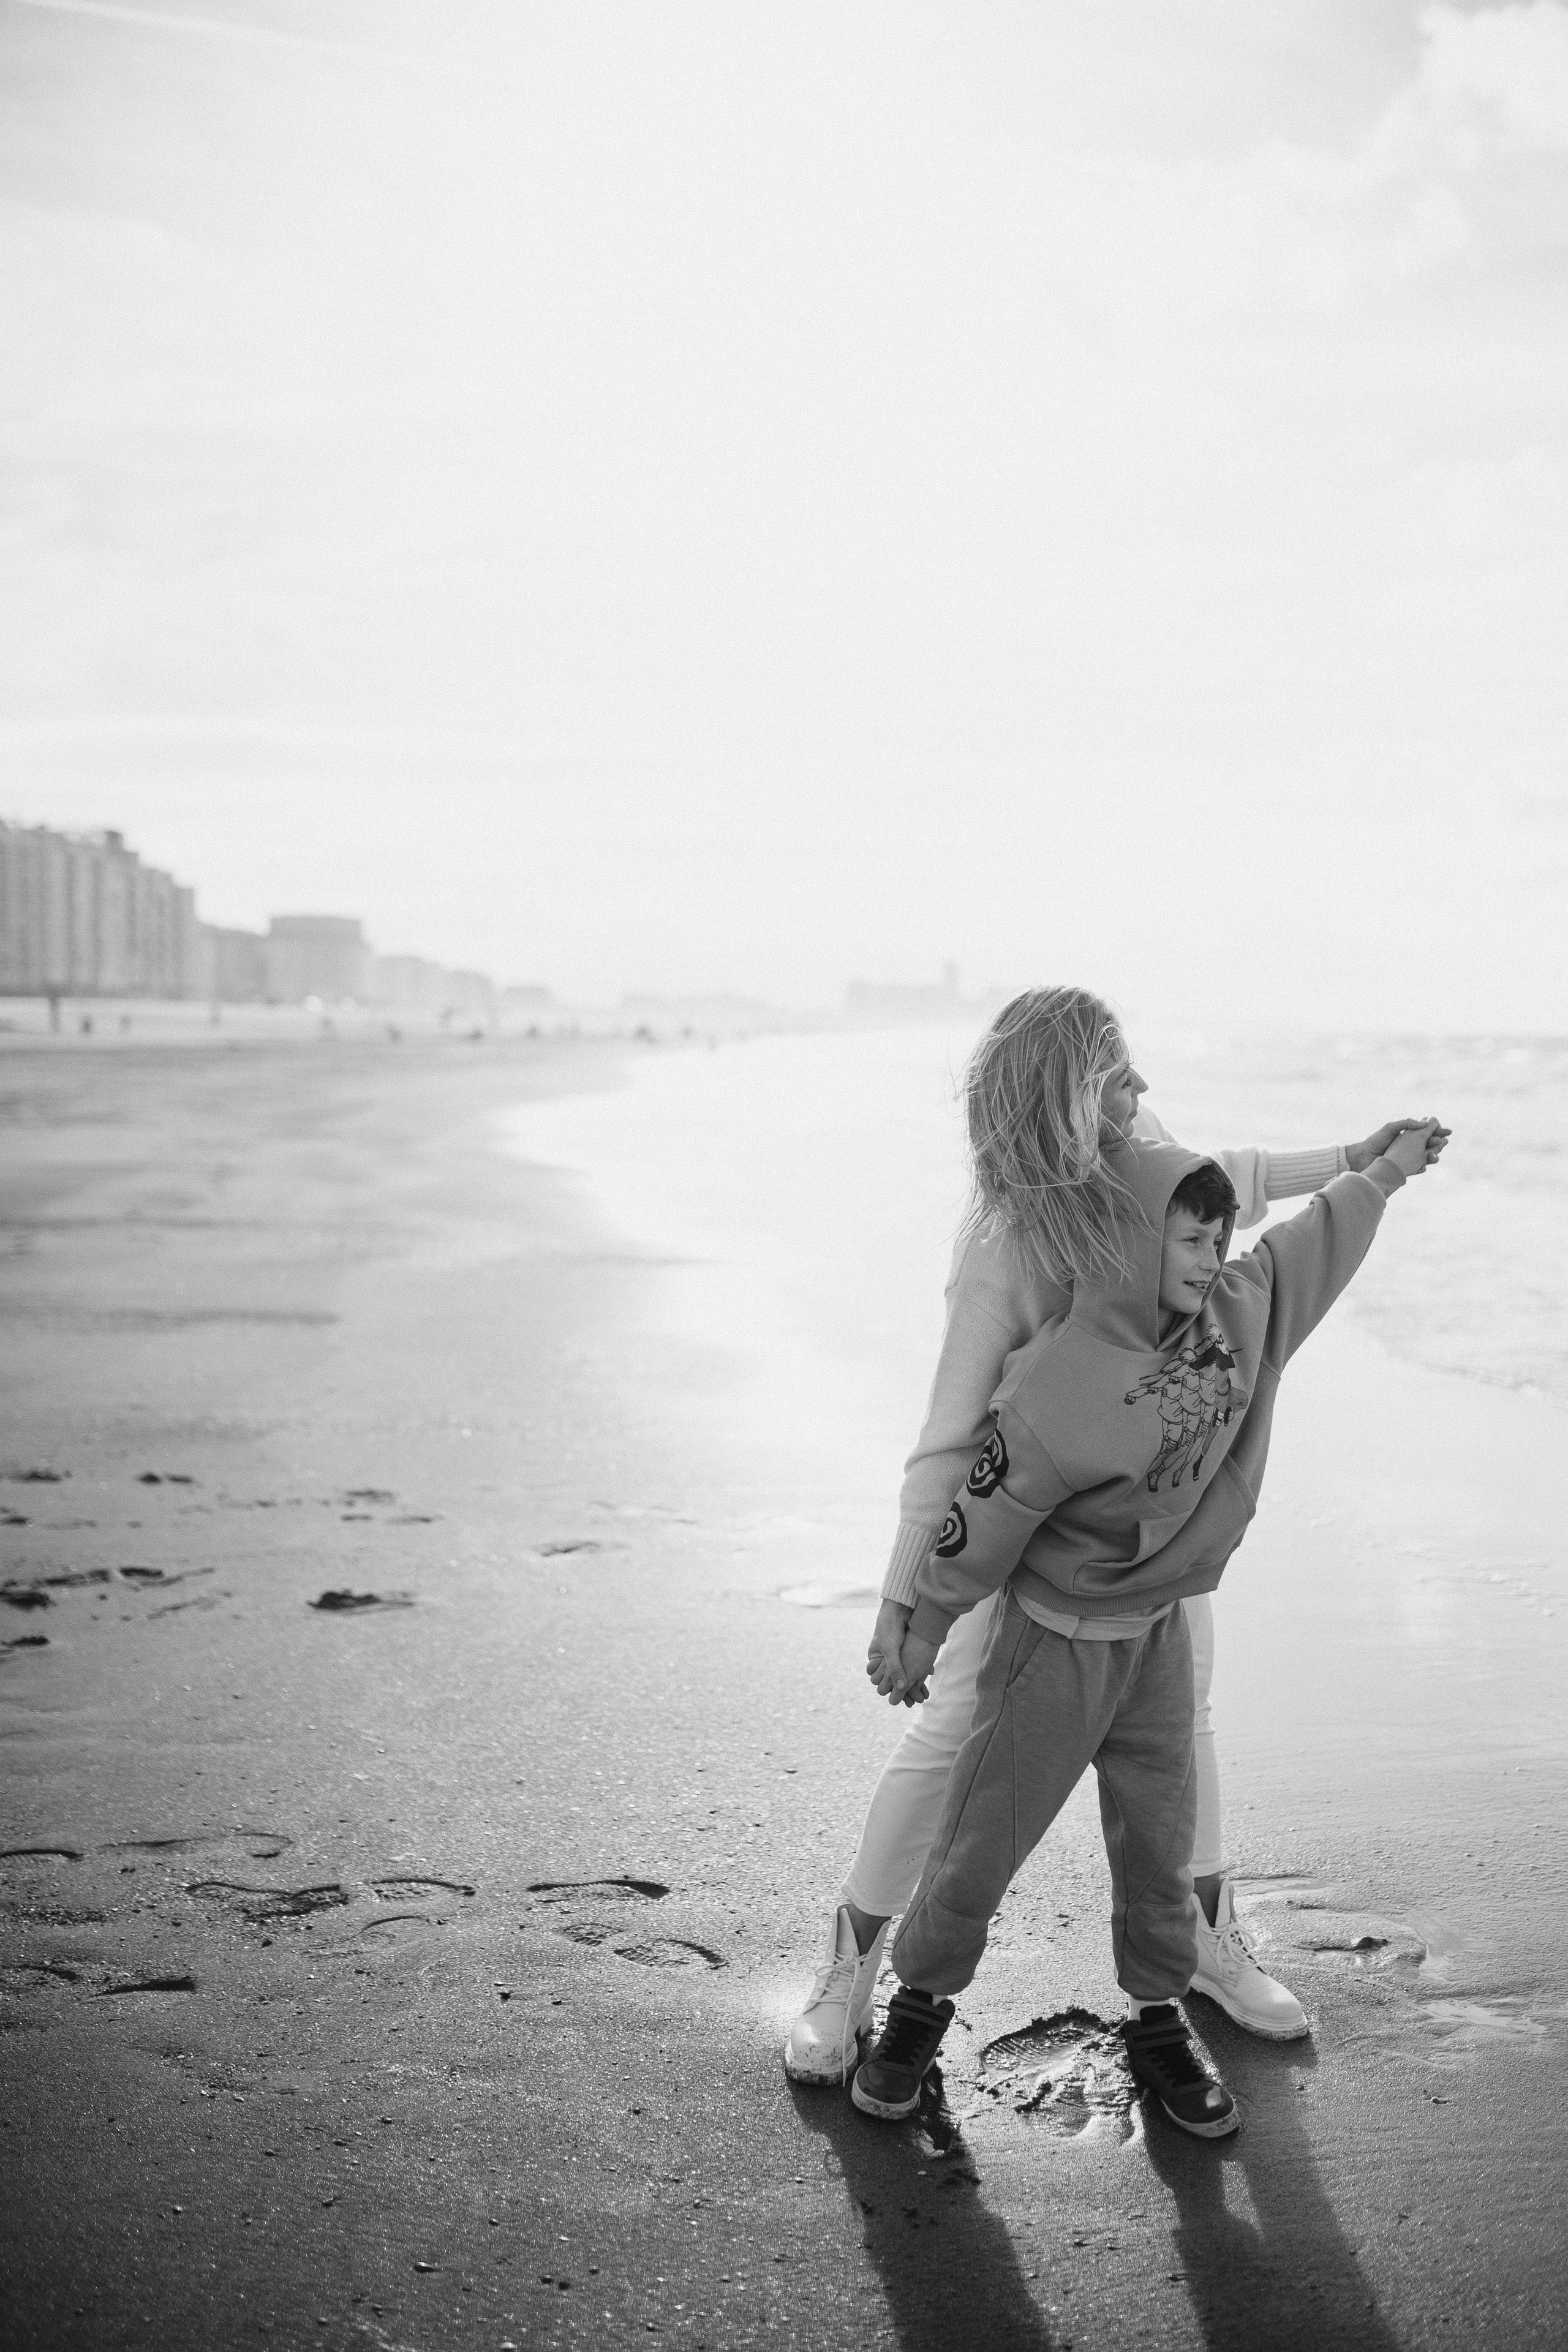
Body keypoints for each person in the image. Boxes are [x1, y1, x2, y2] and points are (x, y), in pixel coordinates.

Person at [785, 987, 1447, 2086]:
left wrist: (1352, 1159)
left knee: (1185, 1722)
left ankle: (1207, 1945)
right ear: (1063, 1104)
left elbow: (1223, 1180)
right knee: (954, 1724)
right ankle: (854, 1962)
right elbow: (948, 1443)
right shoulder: (1002, 1248)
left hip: (1170, 1516)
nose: (1143, 1094)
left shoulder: (1145, 1158)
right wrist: (907, 1601)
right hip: (1021, 1533)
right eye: (1119, 1079)